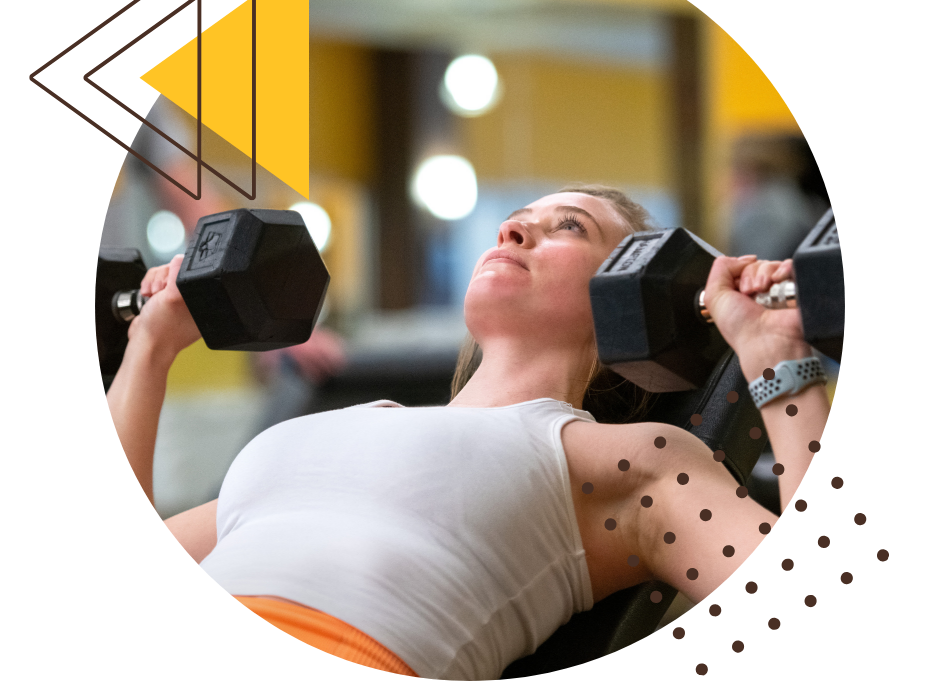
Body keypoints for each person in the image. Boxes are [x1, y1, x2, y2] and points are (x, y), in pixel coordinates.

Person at [107, 184, 829, 680]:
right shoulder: (325, 430)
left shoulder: (629, 463)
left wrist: (776, 357)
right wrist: (151, 347)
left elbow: (812, 608)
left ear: (630, 291)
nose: (513, 230)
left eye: (568, 227)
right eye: (519, 218)